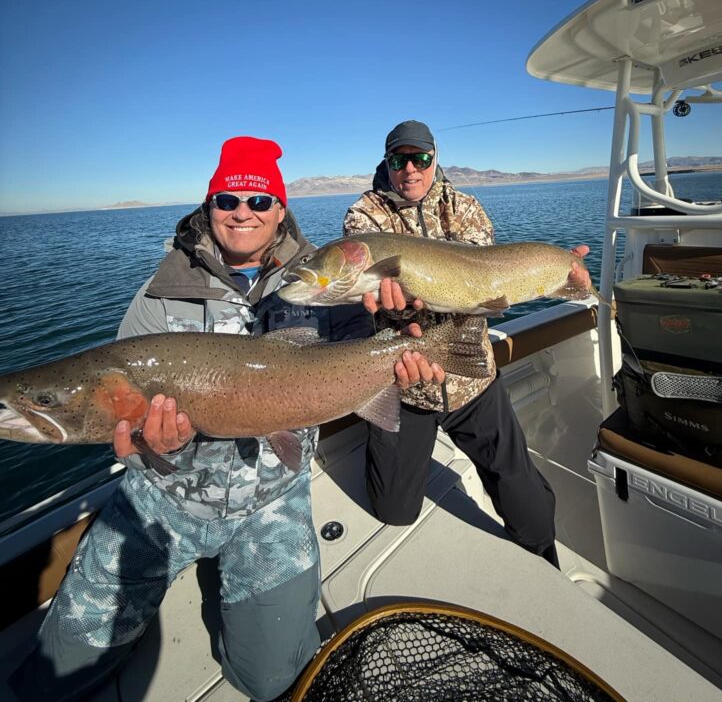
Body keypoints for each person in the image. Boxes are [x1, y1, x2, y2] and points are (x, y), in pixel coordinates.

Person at [10, 136, 439, 702]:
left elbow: (373, 349)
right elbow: (121, 424)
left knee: (272, 681)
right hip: (163, 503)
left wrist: (406, 339)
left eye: (260, 202)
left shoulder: (329, 284)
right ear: (207, 207)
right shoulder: (156, 300)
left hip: (274, 500)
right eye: (227, 199)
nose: (243, 212)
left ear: (280, 210)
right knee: (50, 679)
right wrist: (145, 443)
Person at [343, 119, 592, 569]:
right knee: (393, 511)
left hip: (471, 375)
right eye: (400, 160)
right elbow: (373, 300)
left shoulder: (464, 207)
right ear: (387, 163)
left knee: (526, 502)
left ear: (434, 158)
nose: (411, 170)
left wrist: (562, 276)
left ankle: (544, 561)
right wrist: (397, 310)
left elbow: (485, 284)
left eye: (420, 158)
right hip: (407, 384)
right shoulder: (366, 217)